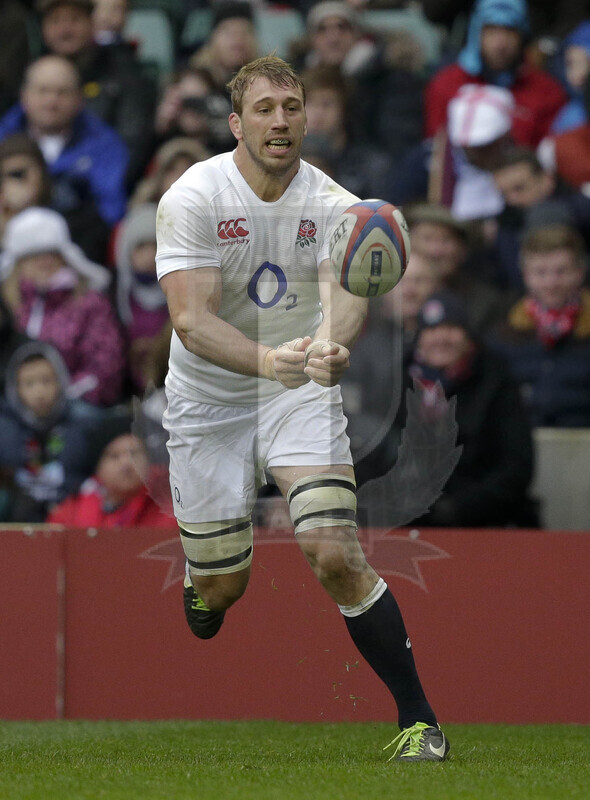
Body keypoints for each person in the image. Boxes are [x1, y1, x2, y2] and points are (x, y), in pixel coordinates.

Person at [155, 54, 449, 762]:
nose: (280, 122)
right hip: (208, 404)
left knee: (330, 547)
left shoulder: (338, 207)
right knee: (224, 590)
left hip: (296, 396)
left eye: (291, 108)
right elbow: (191, 322)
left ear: (307, 117)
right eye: (264, 109)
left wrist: (327, 348)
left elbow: (346, 299)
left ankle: (419, 721)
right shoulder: (194, 197)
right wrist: (268, 358)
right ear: (236, 123)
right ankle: (205, 585)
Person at [391, 291, 538, 527]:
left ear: (468, 336)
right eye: (431, 330)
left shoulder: (496, 380)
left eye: (451, 328)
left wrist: (458, 509)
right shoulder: (398, 383)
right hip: (410, 521)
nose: (440, 338)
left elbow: (516, 467)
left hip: (486, 523)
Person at [1, 206, 126, 407]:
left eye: (51, 253)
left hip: (74, 407)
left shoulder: (89, 303)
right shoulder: (6, 307)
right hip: (11, 410)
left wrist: (59, 398)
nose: (44, 261)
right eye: (33, 255)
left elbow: (105, 369)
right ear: (17, 264)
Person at [36, 0, 156, 188]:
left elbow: (133, 144)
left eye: (74, 20)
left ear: (92, 24)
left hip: (104, 193)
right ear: (43, 30)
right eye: (55, 21)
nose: (65, 30)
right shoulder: (33, 74)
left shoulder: (124, 72)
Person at [0, 55, 129, 229]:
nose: (51, 101)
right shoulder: (4, 139)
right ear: (24, 96)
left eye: (62, 92)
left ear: (79, 99)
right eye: (43, 91)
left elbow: (111, 211)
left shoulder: (105, 145)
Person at [423, 0, 567, 148]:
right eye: (491, 31)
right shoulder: (445, 84)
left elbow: (548, 154)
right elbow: (436, 148)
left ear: (523, 36)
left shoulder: (547, 92)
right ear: (476, 34)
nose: (500, 44)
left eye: (509, 31)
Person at [488, 223, 590, 427]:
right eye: (540, 273)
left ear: (579, 273)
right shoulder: (506, 334)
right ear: (526, 276)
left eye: (561, 271)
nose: (551, 283)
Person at [0, 341, 93, 522]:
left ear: (61, 381)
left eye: (47, 381)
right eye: (29, 384)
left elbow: (86, 477)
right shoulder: (4, 426)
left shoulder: (83, 423)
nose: (39, 392)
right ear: (15, 388)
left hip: (69, 512)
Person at [47, 413, 176, 527]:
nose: (126, 463)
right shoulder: (70, 513)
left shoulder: (171, 506)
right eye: (114, 456)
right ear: (98, 467)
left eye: (135, 454)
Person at [0, 132, 110, 262]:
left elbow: (83, 267)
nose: (11, 183)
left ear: (41, 173)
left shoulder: (77, 213)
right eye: (3, 177)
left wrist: (29, 211)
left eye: (18, 174)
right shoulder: (3, 221)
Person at [113, 203, 170, 393]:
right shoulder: (113, 296)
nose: (149, 255)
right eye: (140, 247)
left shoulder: (181, 294)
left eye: (155, 245)